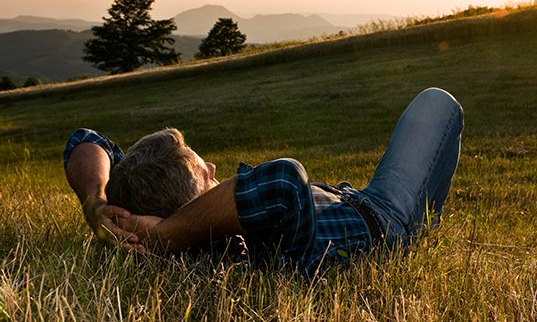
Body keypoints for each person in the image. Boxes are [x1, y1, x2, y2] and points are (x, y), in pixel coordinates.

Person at [64, 87, 464, 278]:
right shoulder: (245, 246)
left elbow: (85, 139)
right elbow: (285, 179)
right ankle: (422, 223)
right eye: (208, 174)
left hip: (344, 196)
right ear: (196, 205)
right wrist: (167, 234)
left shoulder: (136, 202)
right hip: (385, 217)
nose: (217, 169)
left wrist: (95, 202)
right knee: (437, 104)